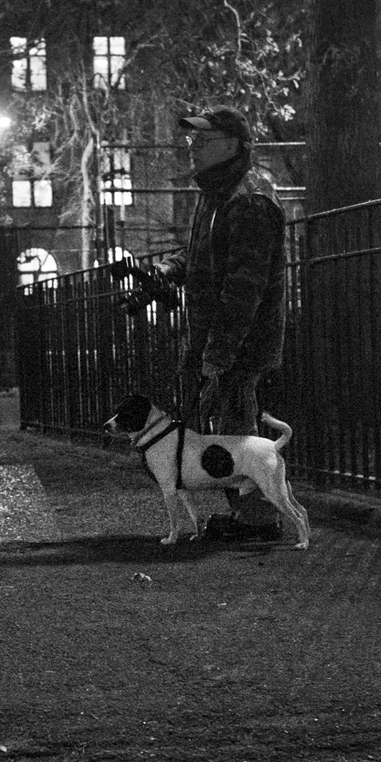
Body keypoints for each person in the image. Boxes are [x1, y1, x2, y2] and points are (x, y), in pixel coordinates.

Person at [144, 106, 291, 541]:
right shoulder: (220, 193)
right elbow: (207, 254)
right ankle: (250, 514)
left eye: (203, 141)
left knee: (237, 425)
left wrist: (220, 350)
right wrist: (171, 268)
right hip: (220, 337)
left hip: (240, 342)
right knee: (228, 423)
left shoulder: (247, 200)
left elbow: (245, 287)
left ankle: (258, 519)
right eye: (192, 140)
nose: (192, 147)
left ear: (231, 146)